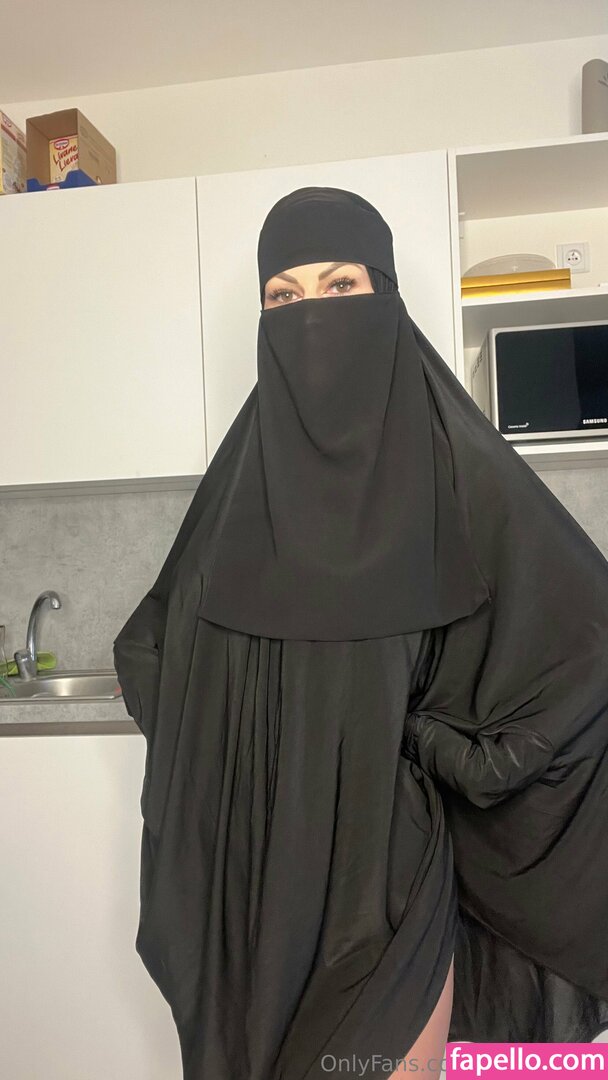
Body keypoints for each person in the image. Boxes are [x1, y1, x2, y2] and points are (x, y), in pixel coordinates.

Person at [113, 187, 608, 1080]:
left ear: (385, 296)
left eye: (340, 285)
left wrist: (431, 745)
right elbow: (156, 643)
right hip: (265, 877)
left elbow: (584, 651)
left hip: (393, 877)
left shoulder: (459, 470)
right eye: (284, 296)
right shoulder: (242, 484)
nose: (313, 315)